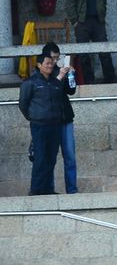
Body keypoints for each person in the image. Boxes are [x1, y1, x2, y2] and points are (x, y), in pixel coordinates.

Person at [17, 50, 72, 195]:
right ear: (39, 65)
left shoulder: (56, 83)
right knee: (40, 158)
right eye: (47, 63)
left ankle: (48, 189)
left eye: (52, 63)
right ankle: (36, 191)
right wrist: (33, 117)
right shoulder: (30, 83)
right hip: (39, 126)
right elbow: (23, 103)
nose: (50, 66)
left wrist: (69, 74)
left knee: (51, 158)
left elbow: (66, 95)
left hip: (55, 125)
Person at [61, 0, 115, 83]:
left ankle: (110, 79)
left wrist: (102, 12)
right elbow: (70, 1)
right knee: (84, 54)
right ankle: (88, 81)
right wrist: (75, 21)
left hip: (97, 20)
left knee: (104, 50)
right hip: (82, 21)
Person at [39, 42, 78, 192]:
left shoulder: (61, 70)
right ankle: (49, 189)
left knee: (70, 157)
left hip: (66, 119)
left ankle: (72, 190)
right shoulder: (42, 73)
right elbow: (49, 90)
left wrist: (71, 75)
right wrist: (60, 76)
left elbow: (71, 91)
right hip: (50, 122)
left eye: (57, 58)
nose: (55, 62)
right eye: (53, 58)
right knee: (50, 158)